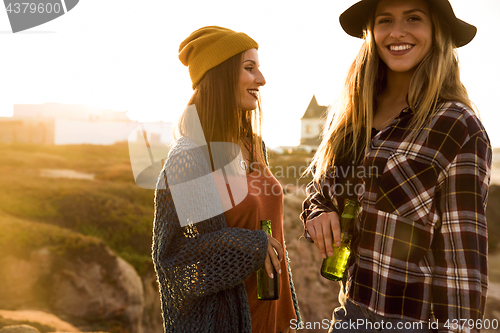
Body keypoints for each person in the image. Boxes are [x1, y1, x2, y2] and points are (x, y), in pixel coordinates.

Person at [301, 0, 491, 332]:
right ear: (372, 33)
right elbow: (323, 189)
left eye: (413, 19)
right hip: (350, 313)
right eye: (385, 20)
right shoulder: (355, 116)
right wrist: (317, 211)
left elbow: (462, 265)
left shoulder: (456, 126)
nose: (397, 32)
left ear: (436, 32)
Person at [152, 26, 301, 333]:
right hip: (229, 323)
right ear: (220, 76)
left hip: (277, 317)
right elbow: (173, 258)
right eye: (250, 68)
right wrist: (247, 244)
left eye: (258, 68)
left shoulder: (251, 143)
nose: (261, 79)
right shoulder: (190, 158)